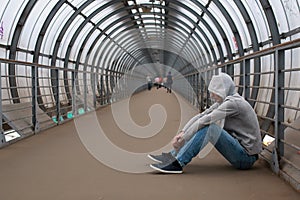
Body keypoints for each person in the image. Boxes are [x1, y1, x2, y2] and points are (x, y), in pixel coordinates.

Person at [148, 73, 262, 173]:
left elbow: (207, 120)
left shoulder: (233, 104)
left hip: (246, 158)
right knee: (203, 125)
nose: (212, 96)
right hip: (240, 150)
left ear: (223, 90)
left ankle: (178, 163)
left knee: (210, 128)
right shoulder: (225, 100)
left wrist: (184, 137)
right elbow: (202, 115)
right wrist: (183, 132)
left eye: (214, 92)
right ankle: (173, 156)